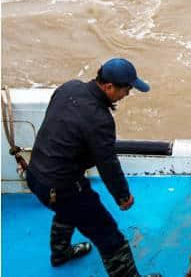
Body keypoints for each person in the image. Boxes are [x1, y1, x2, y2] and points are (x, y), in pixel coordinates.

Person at [26, 58, 161, 277]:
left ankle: (60, 254)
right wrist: (122, 196)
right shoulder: (100, 119)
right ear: (109, 87)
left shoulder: (69, 87)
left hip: (35, 177)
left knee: (66, 209)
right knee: (110, 237)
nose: (127, 94)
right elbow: (107, 163)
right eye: (126, 89)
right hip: (61, 188)